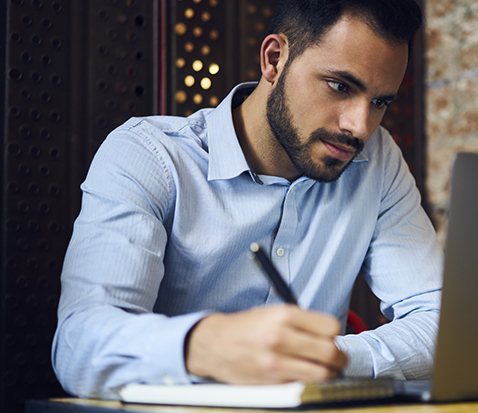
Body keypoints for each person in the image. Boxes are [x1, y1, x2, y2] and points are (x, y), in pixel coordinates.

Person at [52, 0, 443, 399]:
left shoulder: (375, 159)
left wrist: (322, 359)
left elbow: (440, 322)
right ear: (274, 59)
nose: (360, 127)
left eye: (380, 102)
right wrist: (202, 347)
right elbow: (78, 346)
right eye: (340, 86)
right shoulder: (148, 155)